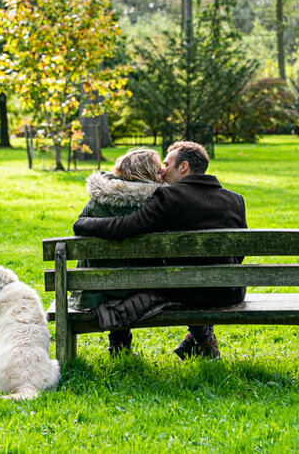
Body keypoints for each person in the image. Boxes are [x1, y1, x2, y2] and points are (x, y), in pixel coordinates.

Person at [72, 140, 246, 360]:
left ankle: (128, 345)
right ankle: (201, 339)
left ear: (183, 167)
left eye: (166, 164)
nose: (162, 171)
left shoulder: (169, 198)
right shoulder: (236, 200)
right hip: (229, 292)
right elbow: (238, 254)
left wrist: (82, 224)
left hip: (184, 291)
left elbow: (122, 227)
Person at [71, 148, 163, 355]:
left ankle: (119, 346)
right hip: (149, 286)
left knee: (111, 271)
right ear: (146, 174)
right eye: (158, 171)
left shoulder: (98, 201)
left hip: (98, 287)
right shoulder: (159, 203)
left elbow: (79, 230)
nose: (162, 174)